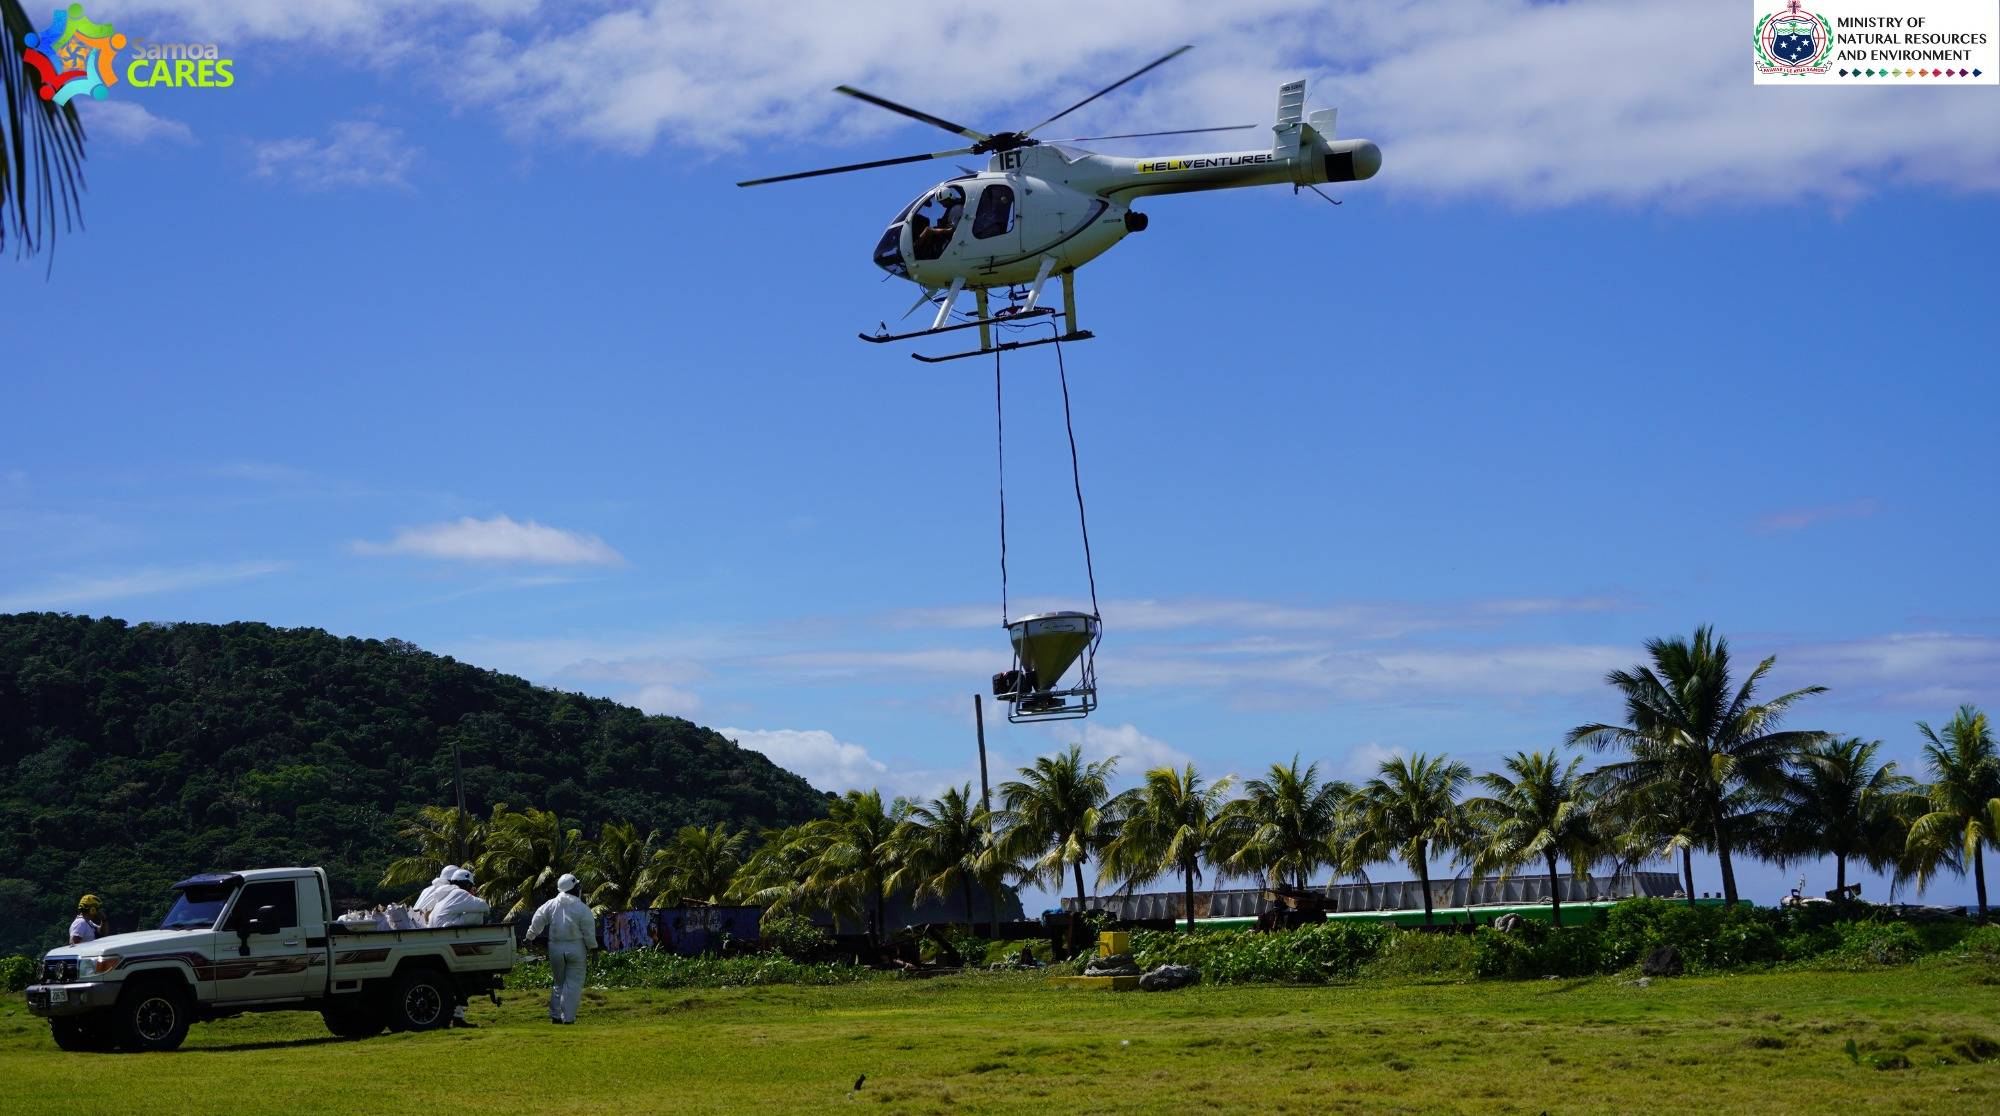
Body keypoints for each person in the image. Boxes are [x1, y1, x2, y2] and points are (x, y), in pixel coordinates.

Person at [527, 873, 596, 1025]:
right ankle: (568, 1018)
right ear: (574, 888)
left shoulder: (550, 904)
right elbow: (589, 932)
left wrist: (530, 936)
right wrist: (593, 948)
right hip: (576, 946)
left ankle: (556, 1015)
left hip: (555, 947)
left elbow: (538, 919)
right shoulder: (582, 908)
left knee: (558, 982)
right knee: (573, 983)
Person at [428, 869, 491, 1028]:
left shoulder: (444, 895)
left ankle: (456, 1016)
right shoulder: (460, 894)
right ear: (467, 885)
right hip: (449, 941)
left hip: (438, 941)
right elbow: (484, 906)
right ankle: (457, 1017)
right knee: (478, 914)